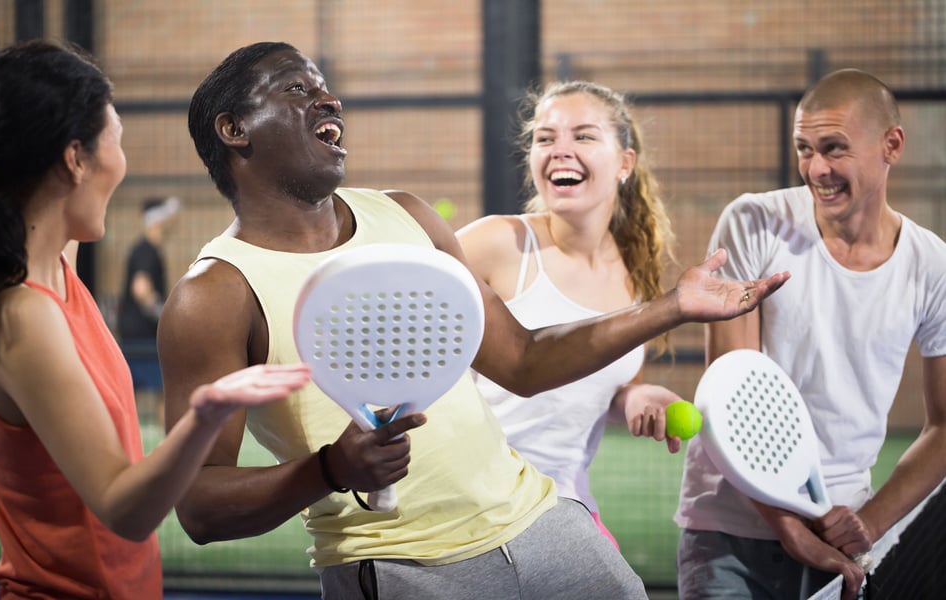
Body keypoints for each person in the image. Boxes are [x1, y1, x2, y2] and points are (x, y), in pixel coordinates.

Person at [159, 41, 787, 600]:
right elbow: (200, 507)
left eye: (324, 85)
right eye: (299, 89)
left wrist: (671, 306)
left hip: (544, 524)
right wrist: (329, 470)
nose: (331, 99)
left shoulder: (406, 216)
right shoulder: (213, 295)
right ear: (234, 128)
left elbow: (524, 360)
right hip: (401, 566)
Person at [0, 40, 312, 599]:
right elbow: (124, 509)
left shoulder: (58, 261)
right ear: (74, 159)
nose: (125, 163)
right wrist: (206, 415)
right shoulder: (24, 314)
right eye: (118, 141)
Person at [674, 68, 946, 600]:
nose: (815, 168)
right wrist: (789, 527)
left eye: (834, 148)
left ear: (891, 145)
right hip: (731, 528)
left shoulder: (932, 265)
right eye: (804, 148)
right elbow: (731, 394)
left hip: (843, 539)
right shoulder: (753, 222)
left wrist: (866, 524)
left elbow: (944, 426)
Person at [457, 80, 687, 549]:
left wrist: (638, 398)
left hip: (566, 510)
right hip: (471, 516)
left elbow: (611, 380)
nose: (560, 149)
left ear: (625, 162)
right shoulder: (497, 244)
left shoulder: (637, 270)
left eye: (583, 136)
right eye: (546, 138)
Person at [119, 195, 180, 426]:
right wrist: (165, 315)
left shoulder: (143, 248)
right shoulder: (147, 251)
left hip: (135, 334)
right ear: (158, 221)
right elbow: (141, 289)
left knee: (131, 394)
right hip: (143, 337)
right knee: (161, 394)